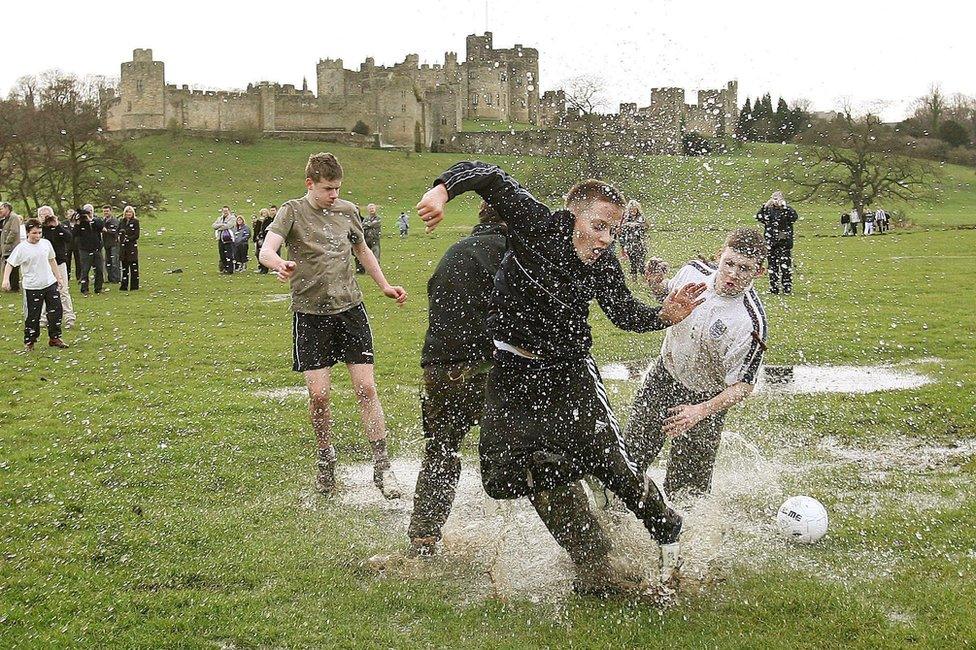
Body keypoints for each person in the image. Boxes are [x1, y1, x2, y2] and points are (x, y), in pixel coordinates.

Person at [416, 161, 706, 590]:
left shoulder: (604, 264)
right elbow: (488, 175)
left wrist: (664, 314)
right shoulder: (537, 223)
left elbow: (623, 314)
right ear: (573, 217)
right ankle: (568, 481)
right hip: (512, 370)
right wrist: (441, 191)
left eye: (614, 231)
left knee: (609, 462)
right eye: (599, 226)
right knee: (500, 477)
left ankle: (668, 528)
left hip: (570, 372)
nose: (606, 239)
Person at [260, 152, 408, 500]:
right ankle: (326, 460)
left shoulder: (347, 211)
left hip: (350, 310)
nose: (334, 195)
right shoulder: (291, 211)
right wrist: (278, 263)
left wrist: (384, 285)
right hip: (310, 316)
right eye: (327, 189)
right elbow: (266, 250)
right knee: (319, 397)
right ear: (309, 183)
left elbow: (364, 251)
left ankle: (382, 466)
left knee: (366, 390)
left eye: (338, 188)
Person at [626, 228, 769, 500]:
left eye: (745, 269)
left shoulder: (750, 322)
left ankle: (684, 536)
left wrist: (700, 411)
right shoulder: (693, 271)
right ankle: (616, 515)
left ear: (758, 272)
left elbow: (743, 386)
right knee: (631, 455)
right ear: (720, 256)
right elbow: (668, 300)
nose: (733, 274)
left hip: (706, 399)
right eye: (729, 263)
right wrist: (656, 284)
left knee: (686, 491)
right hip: (664, 378)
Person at [408, 201, 508, 555]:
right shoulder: (513, 256)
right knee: (530, 442)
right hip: (485, 367)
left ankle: (424, 535)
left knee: (441, 449)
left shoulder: (456, 250)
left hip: (438, 368)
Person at [2, 218, 68, 351]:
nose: (37, 236)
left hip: (49, 283)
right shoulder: (21, 248)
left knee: (56, 312)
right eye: (34, 233)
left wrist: (58, 277)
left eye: (39, 233)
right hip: (32, 286)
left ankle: (55, 338)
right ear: (27, 233)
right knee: (33, 316)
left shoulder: (46, 244)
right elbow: (10, 264)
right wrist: (5, 279)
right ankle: (30, 341)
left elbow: (52, 259)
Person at [39, 207, 77, 329]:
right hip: (43, 264)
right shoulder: (38, 230)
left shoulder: (59, 227)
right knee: (43, 291)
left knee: (63, 290)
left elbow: (69, 238)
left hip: (59, 263)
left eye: (48, 214)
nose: (46, 217)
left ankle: (69, 318)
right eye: (43, 215)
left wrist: (57, 225)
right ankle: (44, 318)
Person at [755, 191, 798, 295]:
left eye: (778, 198)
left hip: (784, 242)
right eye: (774, 198)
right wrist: (764, 206)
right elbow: (759, 217)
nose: (776, 200)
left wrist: (785, 207)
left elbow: (794, 217)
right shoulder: (768, 210)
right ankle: (774, 288)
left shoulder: (787, 210)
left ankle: (787, 287)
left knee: (785, 266)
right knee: (772, 266)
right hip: (771, 243)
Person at [73, 206, 105, 294]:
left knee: (99, 269)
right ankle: (84, 289)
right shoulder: (80, 223)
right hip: (84, 250)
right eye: (87, 211)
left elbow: (101, 227)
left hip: (96, 249)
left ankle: (98, 288)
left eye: (90, 211)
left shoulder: (96, 220)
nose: (89, 213)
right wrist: (78, 223)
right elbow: (74, 234)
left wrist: (90, 220)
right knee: (85, 270)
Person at [619, 199, 648, 279]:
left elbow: (645, 227)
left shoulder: (641, 217)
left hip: (640, 244)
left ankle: (644, 279)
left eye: (634, 209)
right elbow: (621, 231)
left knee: (641, 263)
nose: (633, 211)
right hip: (630, 245)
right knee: (633, 263)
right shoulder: (626, 218)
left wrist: (636, 225)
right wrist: (627, 225)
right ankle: (634, 280)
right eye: (631, 210)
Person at [1, 202, 24, 292]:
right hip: (7, 247)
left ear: (7, 208)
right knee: (8, 265)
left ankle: (14, 287)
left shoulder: (13, 217)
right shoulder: (6, 219)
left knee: (13, 267)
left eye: (2, 208)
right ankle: (9, 285)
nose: (0, 211)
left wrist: (7, 242)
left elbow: (14, 231)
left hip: (11, 247)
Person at [119, 206, 140, 290]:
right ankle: (124, 285)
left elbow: (136, 235)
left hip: (131, 247)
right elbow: (118, 231)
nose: (128, 214)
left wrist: (128, 239)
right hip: (123, 247)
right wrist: (120, 237)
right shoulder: (122, 221)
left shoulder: (135, 222)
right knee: (124, 267)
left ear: (132, 213)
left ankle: (134, 286)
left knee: (133, 266)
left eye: (130, 212)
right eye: (127, 212)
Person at [357, 203, 382, 273]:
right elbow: (362, 225)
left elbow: (374, 224)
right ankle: (365, 269)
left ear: (375, 209)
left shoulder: (378, 218)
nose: (371, 210)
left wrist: (367, 225)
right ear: (368, 210)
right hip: (366, 239)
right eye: (370, 209)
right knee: (366, 255)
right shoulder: (366, 218)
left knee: (376, 255)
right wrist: (369, 225)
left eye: (373, 208)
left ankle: (376, 270)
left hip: (375, 239)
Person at [212, 206, 236, 274]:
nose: (225, 212)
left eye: (226, 211)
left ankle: (230, 270)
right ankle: (225, 268)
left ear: (229, 211)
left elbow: (228, 226)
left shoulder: (232, 218)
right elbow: (213, 226)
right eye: (224, 211)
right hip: (220, 238)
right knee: (222, 254)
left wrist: (219, 227)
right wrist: (222, 224)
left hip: (228, 239)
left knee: (229, 255)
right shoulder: (219, 218)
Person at [101, 205, 121, 283]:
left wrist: (106, 230)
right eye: (104, 211)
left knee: (114, 262)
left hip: (114, 243)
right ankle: (110, 278)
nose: (106, 212)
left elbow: (115, 231)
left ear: (110, 211)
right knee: (108, 262)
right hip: (106, 244)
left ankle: (116, 278)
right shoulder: (103, 221)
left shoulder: (115, 221)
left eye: (107, 211)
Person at [253, 208, 271, 273]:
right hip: (259, 239)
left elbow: (267, 230)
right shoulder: (259, 221)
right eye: (262, 213)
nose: (263, 214)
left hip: (265, 239)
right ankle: (261, 266)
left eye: (265, 213)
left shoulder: (269, 220)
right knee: (257, 253)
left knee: (264, 253)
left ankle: (265, 268)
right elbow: (256, 230)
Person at [64, 209, 80, 279]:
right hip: (67, 245)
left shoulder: (78, 223)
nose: (71, 216)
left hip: (77, 245)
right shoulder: (64, 223)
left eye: (73, 215)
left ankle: (79, 276)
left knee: (78, 261)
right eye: (69, 215)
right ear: (67, 216)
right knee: (67, 261)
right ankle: (67, 276)